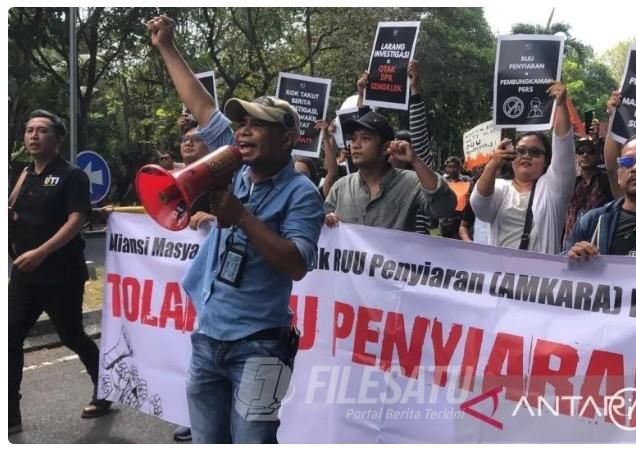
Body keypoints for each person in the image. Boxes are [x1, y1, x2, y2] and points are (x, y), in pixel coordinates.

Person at [149, 15, 325, 444]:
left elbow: (296, 264)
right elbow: (200, 104)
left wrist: (242, 217)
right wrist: (167, 46)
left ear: (287, 139)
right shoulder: (233, 163)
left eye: (257, 124)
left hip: (263, 348)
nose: (243, 131)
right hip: (208, 338)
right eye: (241, 123)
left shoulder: (302, 193)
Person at [8, 110, 112, 435]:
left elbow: (76, 220)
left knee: (72, 335)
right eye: (29, 130)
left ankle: (104, 389)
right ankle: (10, 413)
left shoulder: (71, 175)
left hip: (61, 275)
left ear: (58, 139)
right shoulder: (24, 175)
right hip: (24, 275)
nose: (33, 136)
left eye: (42, 130)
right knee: (9, 339)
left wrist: (40, 253)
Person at [470, 81, 575, 254]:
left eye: (535, 152)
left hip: (542, 271)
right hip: (500, 271)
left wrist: (561, 105)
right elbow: (480, 208)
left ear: (546, 160)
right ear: (512, 157)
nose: (526, 156)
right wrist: (492, 165)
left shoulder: (553, 188)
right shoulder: (500, 187)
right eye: (521, 151)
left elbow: (564, 150)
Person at [565, 95, 636, 259]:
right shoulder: (592, 222)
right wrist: (573, 259)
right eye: (627, 162)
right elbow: (563, 269)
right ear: (619, 173)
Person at [324, 109, 455, 231]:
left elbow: (443, 208)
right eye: (352, 139)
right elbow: (321, 221)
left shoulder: (410, 183)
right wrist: (327, 219)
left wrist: (416, 161)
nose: (355, 145)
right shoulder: (341, 187)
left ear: (385, 147)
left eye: (365, 138)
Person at [561, 136, 613, 244]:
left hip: (596, 240)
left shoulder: (606, 180)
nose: (585, 155)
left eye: (590, 151)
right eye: (581, 152)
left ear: (597, 156)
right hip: (570, 240)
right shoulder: (568, 180)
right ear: (576, 157)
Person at [439, 156, 472, 239]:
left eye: (454, 167)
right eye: (449, 167)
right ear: (446, 168)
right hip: (445, 220)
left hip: (461, 219)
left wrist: (469, 197)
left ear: (459, 168)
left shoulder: (466, 180)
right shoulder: (443, 181)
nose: (452, 169)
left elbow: (473, 196)